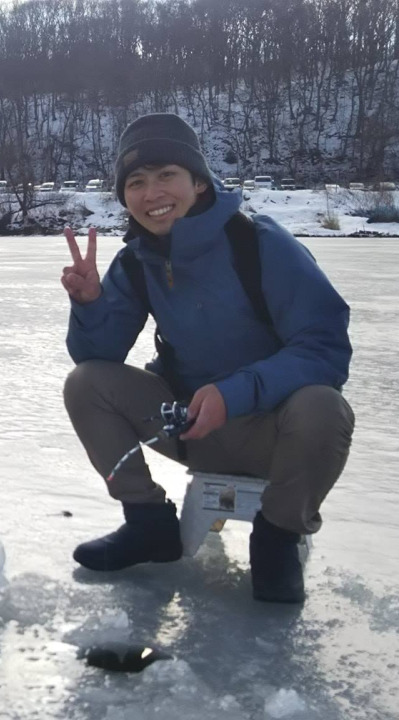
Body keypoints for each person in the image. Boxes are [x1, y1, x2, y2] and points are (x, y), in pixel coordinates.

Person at [60, 113, 354, 603]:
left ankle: (278, 539)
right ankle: (149, 523)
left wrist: (233, 392)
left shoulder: (259, 243)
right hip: (190, 427)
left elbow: (325, 348)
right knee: (86, 383)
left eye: (166, 176)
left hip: (276, 435)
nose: (151, 193)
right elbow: (98, 356)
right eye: (136, 182)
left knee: (325, 407)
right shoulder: (137, 259)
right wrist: (90, 306)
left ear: (199, 182)